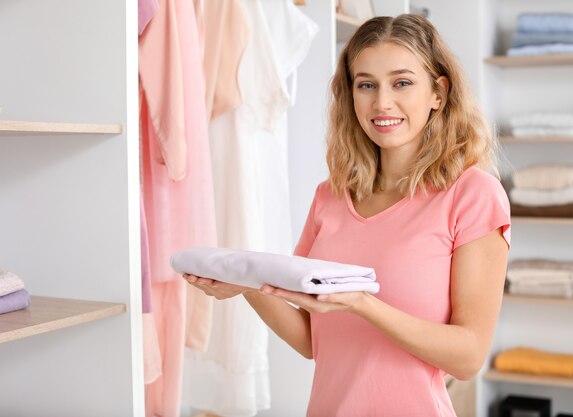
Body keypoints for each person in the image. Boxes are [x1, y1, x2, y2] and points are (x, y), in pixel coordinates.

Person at [183, 13, 510, 417]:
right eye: (366, 84)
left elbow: (468, 357)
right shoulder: (331, 197)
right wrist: (246, 284)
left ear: (438, 92)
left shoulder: (472, 195)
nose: (382, 102)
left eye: (402, 82)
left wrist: (363, 304)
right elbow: (311, 339)